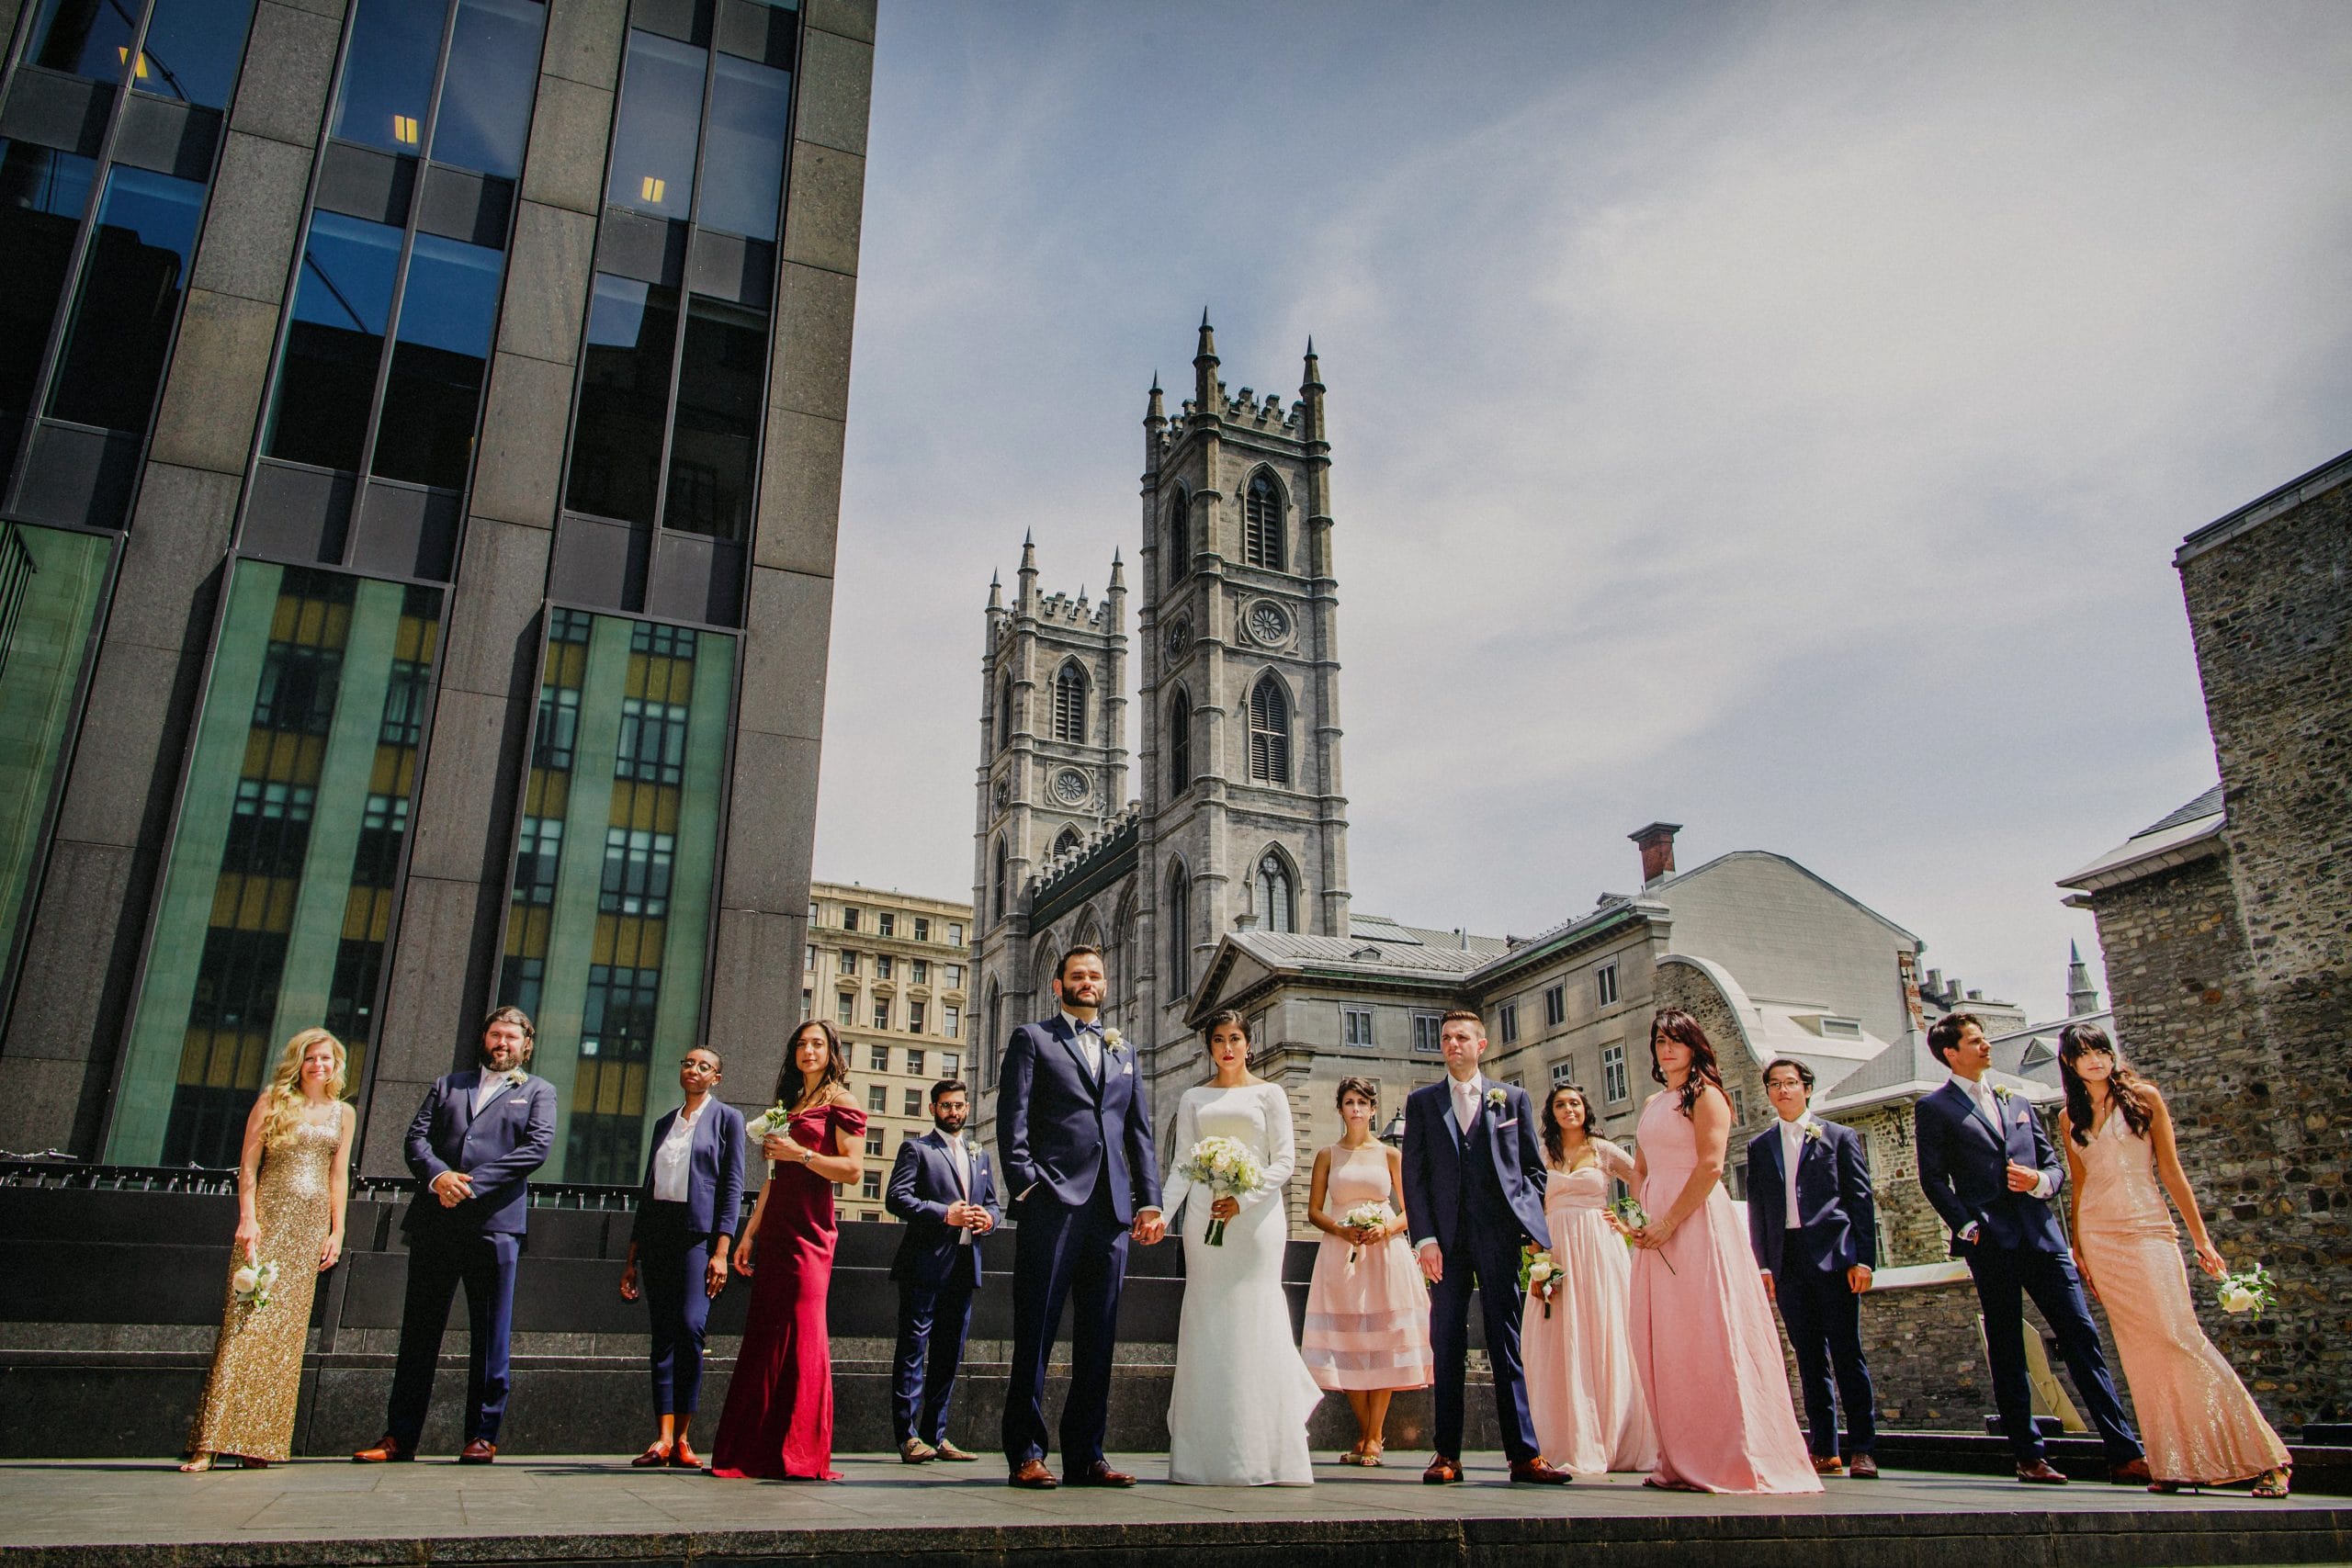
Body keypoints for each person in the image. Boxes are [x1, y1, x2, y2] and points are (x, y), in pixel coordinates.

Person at [2058, 1023, 2290, 1497]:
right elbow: (2081, 1188)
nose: (2097, 1060)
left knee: (2179, 1335)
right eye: (2085, 1054)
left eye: (2102, 1050)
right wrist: (2079, 1248)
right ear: (2069, 1063)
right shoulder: (2069, 1118)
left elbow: (2171, 1170)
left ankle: (2267, 1458)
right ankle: (2175, 1464)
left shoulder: (2143, 1098)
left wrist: (2201, 1238)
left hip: (2149, 1231)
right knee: (2141, 1354)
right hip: (2101, 1240)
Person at [1914, 1011, 2145, 1485]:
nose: (1986, 1047)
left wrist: (2040, 1181)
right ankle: (2028, 1456)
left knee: (2082, 1337)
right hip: (1991, 1243)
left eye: (1985, 1040)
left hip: (2043, 1237)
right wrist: (1967, 1226)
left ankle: (2124, 1451)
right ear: (1951, 1053)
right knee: (2007, 1348)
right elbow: (1933, 1180)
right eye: (1976, 1042)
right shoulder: (1934, 1109)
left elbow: (2055, 1165)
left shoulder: (2016, 1098)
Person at [1625, 1010, 1820, 1495]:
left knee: (1708, 1332)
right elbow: (1642, 1170)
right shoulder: (1653, 1102)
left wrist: (1670, 1221)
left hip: (1695, 1224)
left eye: (1676, 1040)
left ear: (1695, 1046)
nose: (1666, 1049)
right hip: (1656, 1230)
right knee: (1665, 1339)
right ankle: (1677, 1455)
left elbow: (1711, 1166)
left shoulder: (1706, 1096)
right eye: (1660, 1041)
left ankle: (1727, 1455)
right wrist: (1638, 1219)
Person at [355, 1006, 555, 1464]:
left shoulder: (540, 1091)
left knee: (491, 1334)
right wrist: (440, 1178)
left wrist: (470, 1185)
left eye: (511, 1037)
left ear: (527, 1045)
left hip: (494, 1227)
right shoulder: (448, 1085)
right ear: (483, 1038)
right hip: (435, 1223)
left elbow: (536, 1148)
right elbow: (416, 1141)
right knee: (419, 1332)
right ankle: (399, 1438)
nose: (501, 1043)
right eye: (495, 1035)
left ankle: (482, 1435)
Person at [999, 943, 1162, 1488]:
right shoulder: (1033, 1039)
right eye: (1077, 976)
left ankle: (1087, 1455)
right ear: (1058, 985)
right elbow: (1012, 1118)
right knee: (1037, 1329)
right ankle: (1026, 1452)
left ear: (1105, 984)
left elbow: (1137, 1132)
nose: (1087, 982)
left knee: (1100, 1334)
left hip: (1111, 1211)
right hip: (1053, 1204)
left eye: (1095, 976)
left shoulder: (1125, 1052)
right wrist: (1025, 1186)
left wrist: (1150, 1199)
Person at [1400, 1010, 1572, 1485]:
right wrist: (1426, 1240)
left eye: (1462, 1037)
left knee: (1507, 1345)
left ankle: (1524, 1455)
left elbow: (1534, 1171)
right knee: (1447, 1344)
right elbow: (1413, 1179)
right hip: (1446, 1246)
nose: (1452, 1044)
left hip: (1498, 1239)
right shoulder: (1422, 1103)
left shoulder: (1511, 1099)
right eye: (1446, 1038)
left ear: (1483, 1045)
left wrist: (1526, 1220)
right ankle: (1447, 1455)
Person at [1160, 1010, 1324, 1485]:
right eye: (1218, 1040)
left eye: (1235, 1039)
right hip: (1203, 1218)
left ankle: (1268, 1454)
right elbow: (1181, 1166)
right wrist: (1160, 1214)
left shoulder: (1269, 1093)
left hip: (1256, 1222)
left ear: (1248, 1044)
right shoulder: (1192, 1097)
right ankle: (1202, 1456)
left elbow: (1286, 1161)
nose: (1227, 1048)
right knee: (1207, 1319)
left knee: (1257, 1315)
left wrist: (1244, 1198)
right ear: (1209, 1047)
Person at [182, 1028, 354, 1472]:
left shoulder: (343, 1113)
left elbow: (338, 1176)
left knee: (285, 1339)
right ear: (298, 1063)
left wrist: (337, 1231)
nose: (319, 1066)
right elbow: (249, 1165)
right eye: (311, 1058)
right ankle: (210, 1443)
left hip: (310, 1228)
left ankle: (258, 1443)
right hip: (269, 1222)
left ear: (336, 1066)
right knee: (244, 1325)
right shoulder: (273, 1101)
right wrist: (248, 1218)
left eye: (326, 1059)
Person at [708, 1020, 865, 1481]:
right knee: (765, 1333)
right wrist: (749, 1234)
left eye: (817, 1044)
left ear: (832, 1050)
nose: (808, 1051)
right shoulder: (791, 1103)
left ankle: (802, 1452)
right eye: (801, 1044)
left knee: (803, 1330)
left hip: (812, 1233)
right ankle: (755, 1450)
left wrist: (801, 1154)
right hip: (776, 1228)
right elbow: (772, 1181)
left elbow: (853, 1171)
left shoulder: (843, 1101)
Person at [1745, 1056, 1879, 1478]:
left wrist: (1863, 1259)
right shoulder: (1760, 1146)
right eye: (1775, 1084)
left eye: (1791, 1083)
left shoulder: (1839, 1137)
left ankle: (1863, 1448)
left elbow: (1859, 1200)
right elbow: (1759, 1210)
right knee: (1808, 1356)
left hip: (1835, 1256)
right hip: (1788, 1258)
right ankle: (1824, 1445)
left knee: (1846, 1352)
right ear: (1768, 1092)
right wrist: (1763, 1265)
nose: (1783, 1090)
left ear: (1806, 1088)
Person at [617, 1045, 745, 1470]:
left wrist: (722, 1251)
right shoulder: (662, 1124)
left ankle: (686, 1437)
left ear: (716, 1078)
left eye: (704, 1066)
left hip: (698, 1237)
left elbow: (731, 1189)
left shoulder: (727, 1119)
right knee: (663, 1335)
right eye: (688, 1063)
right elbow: (647, 1191)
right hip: (657, 1234)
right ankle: (663, 1438)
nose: (694, 1070)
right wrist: (631, 1258)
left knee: (691, 1327)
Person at [1521, 1082, 1657, 1477]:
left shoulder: (1603, 1149)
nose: (1569, 1110)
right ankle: (1560, 1438)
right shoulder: (1543, 1154)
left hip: (1598, 1245)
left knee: (1604, 1329)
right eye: (1561, 1104)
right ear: (1552, 1113)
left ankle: (1615, 1436)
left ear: (1585, 1108)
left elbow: (1642, 1178)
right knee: (1558, 1337)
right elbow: (1529, 1199)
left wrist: (1633, 1222)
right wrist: (1534, 1247)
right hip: (1555, 1246)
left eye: (1575, 1103)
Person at [1302, 1076, 1430, 1465]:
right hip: (1340, 1253)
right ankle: (1365, 1431)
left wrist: (1386, 1228)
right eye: (1349, 1102)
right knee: (1349, 1343)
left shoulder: (1390, 1155)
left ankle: (1374, 1438)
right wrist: (1341, 1229)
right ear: (1340, 1109)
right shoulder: (1327, 1154)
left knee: (1384, 1342)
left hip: (1384, 1253)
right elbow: (1313, 1210)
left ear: (1373, 1110)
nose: (1355, 1109)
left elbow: (1411, 1209)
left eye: (1362, 1102)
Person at [885, 1076, 1001, 1463]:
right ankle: (908, 1436)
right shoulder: (916, 1150)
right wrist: (944, 1214)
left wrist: (989, 1219)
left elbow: (994, 1204)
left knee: (950, 1354)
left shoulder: (979, 1154)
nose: (954, 1112)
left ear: (968, 1109)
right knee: (913, 1352)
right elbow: (897, 1199)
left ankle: (937, 1435)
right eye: (946, 1106)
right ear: (933, 1109)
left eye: (960, 1106)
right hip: (923, 1266)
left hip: (965, 1267)